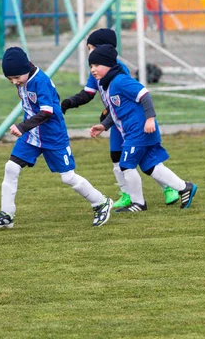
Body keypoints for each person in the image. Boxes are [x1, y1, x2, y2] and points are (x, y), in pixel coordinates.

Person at [0, 47, 113, 229]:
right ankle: (7, 214)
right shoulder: (23, 80)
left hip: (52, 136)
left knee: (68, 177)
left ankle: (101, 202)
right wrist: (27, 128)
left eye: (16, 78)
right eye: (10, 79)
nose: (14, 82)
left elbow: (47, 112)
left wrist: (22, 126)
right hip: (32, 135)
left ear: (26, 68)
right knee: (11, 167)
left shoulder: (40, 81)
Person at [60, 28, 179, 209]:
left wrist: (111, 115)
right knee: (117, 157)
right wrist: (70, 102)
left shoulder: (116, 70)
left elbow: (126, 97)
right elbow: (88, 93)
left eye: (91, 48)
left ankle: (169, 188)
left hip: (128, 121)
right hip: (115, 122)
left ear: (103, 48)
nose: (89, 53)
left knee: (140, 157)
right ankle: (127, 194)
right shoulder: (97, 69)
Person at [88, 45, 197, 211]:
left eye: (97, 65)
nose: (93, 70)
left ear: (109, 64)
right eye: (91, 66)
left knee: (126, 165)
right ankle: (184, 187)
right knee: (150, 166)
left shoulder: (120, 80)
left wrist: (150, 119)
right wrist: (104, 125)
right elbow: (116, 112)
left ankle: (138, 203)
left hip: (139, 131)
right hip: (137, 132)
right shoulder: (109, 85)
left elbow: (144, 94)